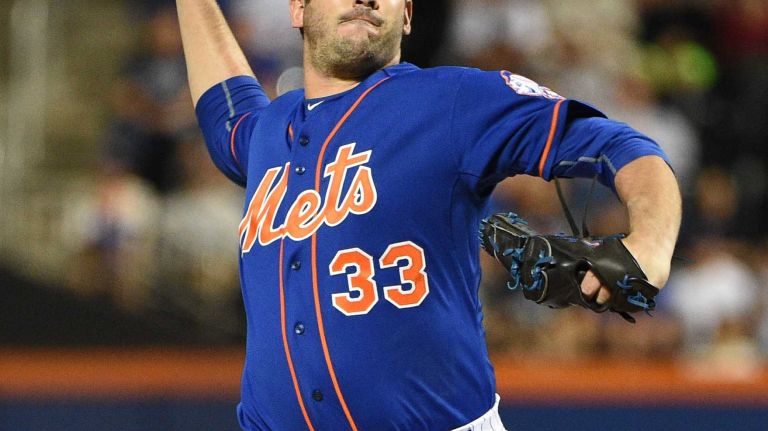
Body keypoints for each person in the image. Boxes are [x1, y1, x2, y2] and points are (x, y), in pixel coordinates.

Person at [176, 1, 681, 429]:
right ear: (298, 8)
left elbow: (619, 144)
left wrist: (652, 243)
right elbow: (227, 113)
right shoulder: (268, 132)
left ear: (408, 15)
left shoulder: (453, 99)